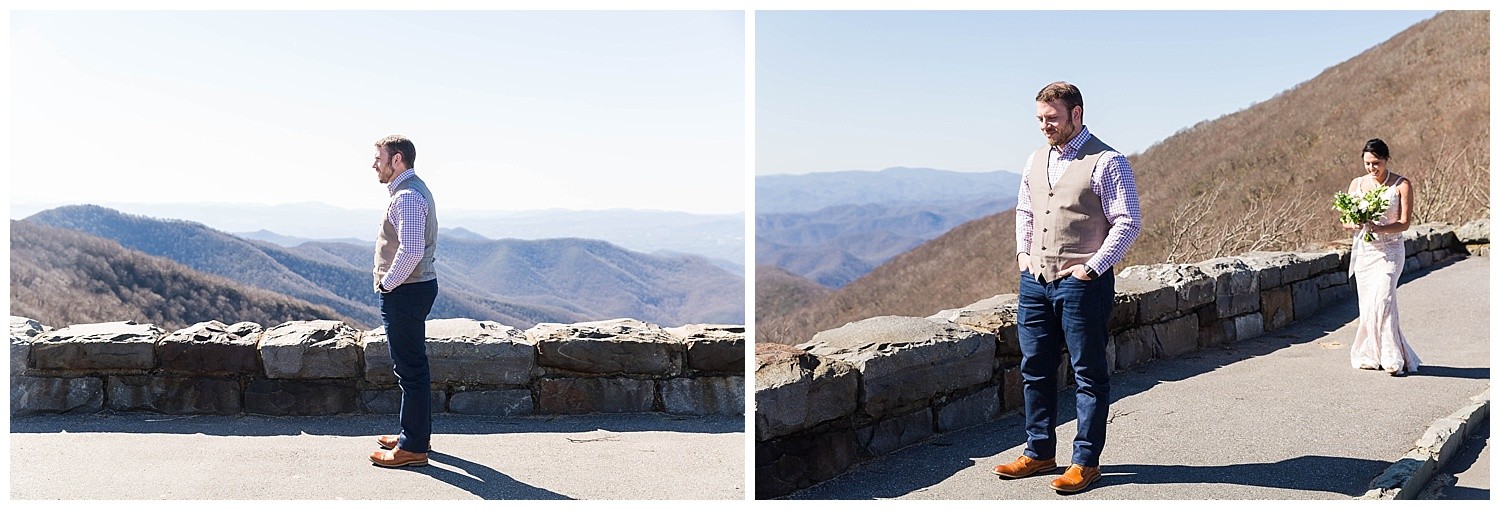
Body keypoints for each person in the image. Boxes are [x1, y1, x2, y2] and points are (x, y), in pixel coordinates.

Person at [992, 82, 1140, 493]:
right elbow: (1025, 208)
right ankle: (1039, 452)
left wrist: (1092, 268)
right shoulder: (1035, 159)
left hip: (1082, 285)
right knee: (1034, 369)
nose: (1044, 126)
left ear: (1076, 114)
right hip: (1035, 281)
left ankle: (1085, 462)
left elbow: (1128, 222)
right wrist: (1023, 255)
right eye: (1040, 118)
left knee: (1088, 373)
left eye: (1052, 118)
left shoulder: (1108, 162)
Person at [367, 134, 440, 468]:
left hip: (406, 291)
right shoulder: (412, 190)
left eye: (379, 158)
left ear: (397, 160)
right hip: (415, 289)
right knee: (412, 367)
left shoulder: (407, 197)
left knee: (410, 369)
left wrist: (387, 284)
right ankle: (414, 434)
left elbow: (410, 250)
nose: (374, 165)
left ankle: (413, 447)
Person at [1342, 138, 1419, 375]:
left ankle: (1391, 356)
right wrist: (1354, 223)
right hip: (1366, 253)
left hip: (1391, 251)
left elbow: (1405, 223)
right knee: (1368, 305)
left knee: (1383, 298)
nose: (1371, 168)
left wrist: (1380, 228)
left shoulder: (1401, 184)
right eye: (1367, 163)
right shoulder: (1357, 184)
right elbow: (1344, 221)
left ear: (1386, 160)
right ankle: (1369, 353)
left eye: (1376, 163)